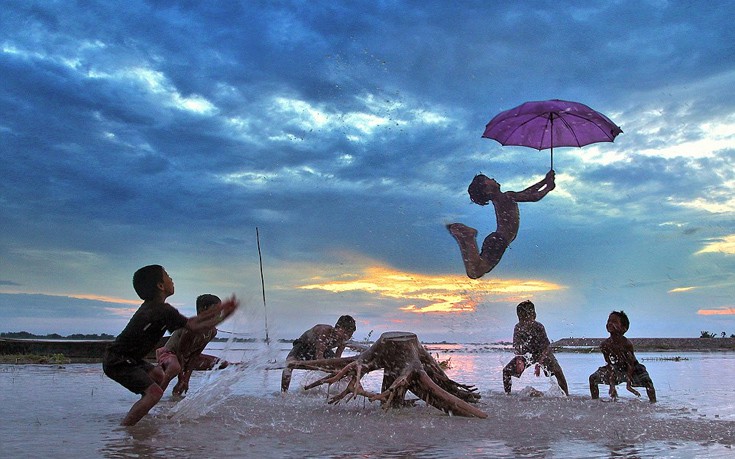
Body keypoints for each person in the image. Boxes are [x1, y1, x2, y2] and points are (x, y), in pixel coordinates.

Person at [103, 265, 239, 426]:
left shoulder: (159, 309)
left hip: (131, 359)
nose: (171, 279)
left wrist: (222, 310)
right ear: (160, 286)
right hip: (118, 360)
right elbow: (194, 325)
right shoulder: (160, 310)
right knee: (155, 393)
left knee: (159, 377)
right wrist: (224, 311)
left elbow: (194, 322)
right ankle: (125, 430)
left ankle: (143, 408)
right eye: (167, 275)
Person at [448, 170, 555, 279]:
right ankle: (469, 237)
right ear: (487, 190)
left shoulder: (504, 198)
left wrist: (545, 181)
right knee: (475, 272)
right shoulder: (507, 196)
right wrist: (547, 188)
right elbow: (533, 197)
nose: (493, 179)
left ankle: (463, 239)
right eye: (489, 180)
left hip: (497, 239)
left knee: (475, 270)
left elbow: (527, 193)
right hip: (499, 241)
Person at [156, 294, 230, 397]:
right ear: (202, 311)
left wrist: (186, 379)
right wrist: (181, 379)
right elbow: (179, 354)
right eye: (216, 309)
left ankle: (176, 393)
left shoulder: (212, 332)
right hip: (170, 355)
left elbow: (195, 356)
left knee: (222, 363)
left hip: (187, 358)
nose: (219, 313)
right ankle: (155, 395)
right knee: (175, 367)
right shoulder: (191, 329)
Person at [502, 300, 569, 395]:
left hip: (543, 353)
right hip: (527, 354)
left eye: (526, 318)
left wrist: (539, 364)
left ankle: (566, 395)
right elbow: (517, 346)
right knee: (506, 371)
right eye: (521, 318)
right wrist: (519, 360)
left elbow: (546, 347)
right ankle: (507, 395)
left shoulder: (539, 327)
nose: (524, 322)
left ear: (533, 316)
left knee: (558, 372)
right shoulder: (518, 328)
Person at [589, 310, 656, 402]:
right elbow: (609, 365)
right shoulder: (605, 345)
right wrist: (612, 386)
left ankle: (653, 403)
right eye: (609, 321)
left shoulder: (627, 344)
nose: (610, 323)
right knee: (593, 378)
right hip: (616, 368)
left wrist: (629, 385)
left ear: (624, 328)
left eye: (614, 322)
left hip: (633, 368)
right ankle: (595, 402)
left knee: (648, 382)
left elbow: (630, 364)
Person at [281, 315, 357, 392]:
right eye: (345, 332)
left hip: (325, 351)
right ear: (337, 328)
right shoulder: (324, 331)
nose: (346, 337)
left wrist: (339, 370)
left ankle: (342, 390)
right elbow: (319, 358)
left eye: (350, 335)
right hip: (303, 346)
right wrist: (330, 369)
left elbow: (337, 359)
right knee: (289, 364)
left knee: (343, 367)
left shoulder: (343, 340)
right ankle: (283, 393)